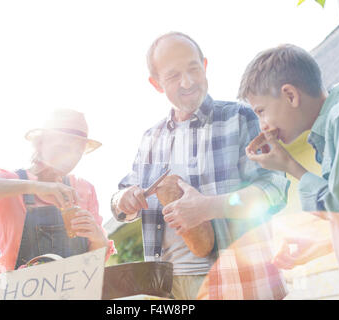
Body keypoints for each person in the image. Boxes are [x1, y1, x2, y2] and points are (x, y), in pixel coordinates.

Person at [110, 32, 290, 300]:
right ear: (156, 83)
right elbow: (120, 202)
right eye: (173, 76)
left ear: (204, 66)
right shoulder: (150, 139)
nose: (188, 82)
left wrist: (208, 207)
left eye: (193, 69)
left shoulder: (241, 118)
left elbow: (274, 189)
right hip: (167, 287)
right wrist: (124, 200)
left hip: (239, 281)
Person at [237, 44, 339, 299]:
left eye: (261, 111)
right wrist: (322, 245)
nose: (262, 125)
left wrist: (291, 166)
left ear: (290, 95)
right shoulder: (336, 125)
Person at [0, 109, 115, 276]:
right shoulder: (12, 181)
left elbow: (93, 264)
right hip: (19, 291)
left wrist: (98, 239)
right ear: (41, 143)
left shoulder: (84, 189)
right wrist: (38, 186)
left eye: (78, 150)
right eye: (62, 146)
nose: (71, 156)